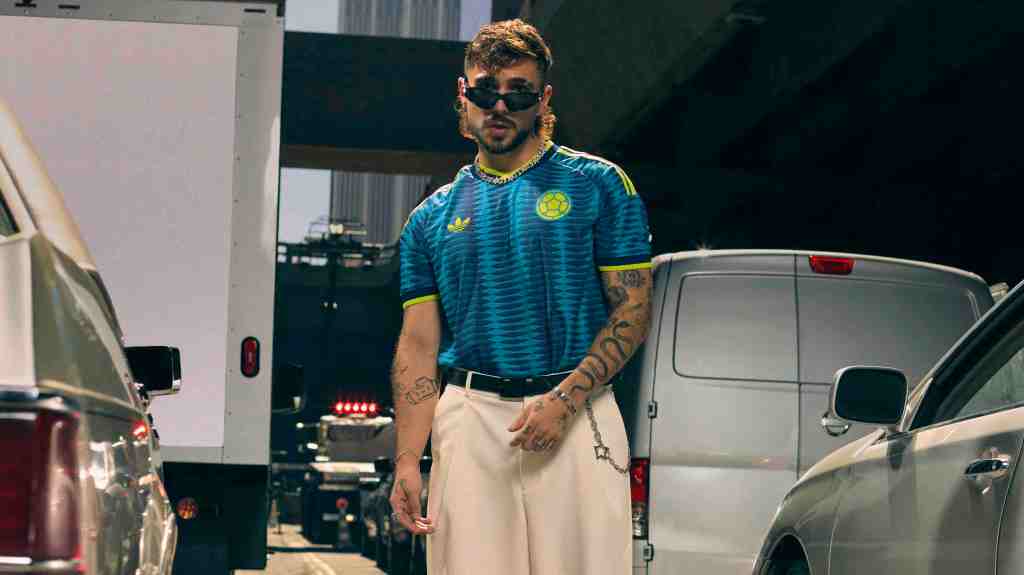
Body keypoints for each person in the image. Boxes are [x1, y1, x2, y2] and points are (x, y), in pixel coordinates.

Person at [388, 19, 652, 575]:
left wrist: (565, 400)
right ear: (464, 95)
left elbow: (632, 309)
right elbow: (418, 345)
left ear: (544, 100)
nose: (501, 106)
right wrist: (409, 459)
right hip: (471, 420)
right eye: (486, 91)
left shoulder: (600, 185)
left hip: (578, 416)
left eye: (519, 93)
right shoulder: (429, 219)